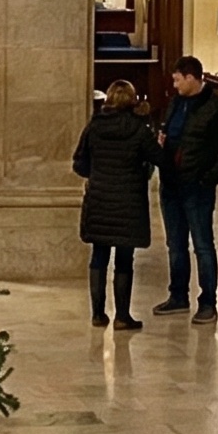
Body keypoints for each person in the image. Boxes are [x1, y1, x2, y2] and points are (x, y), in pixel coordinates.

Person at [153, 57, 218, 324]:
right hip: (171, 183)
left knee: (202, 244)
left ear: (191, 77)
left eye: (178, 79)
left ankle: (208, 302)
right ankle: (178, 295)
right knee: (175, 244)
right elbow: (169, 131)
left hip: (197, 185)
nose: (175, 84)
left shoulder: (216, 107)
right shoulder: (176, 103)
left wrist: (211, 177)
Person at [73, 81, 158, 330]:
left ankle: (97, 314)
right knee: (124, 258)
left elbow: (79, 163)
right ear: (132, 101)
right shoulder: (139, 129)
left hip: (100, 199)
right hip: (129, 202)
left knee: (99, 255)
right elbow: (159, 158)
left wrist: (96, 174)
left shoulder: (94, 127)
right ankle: (122, 316)